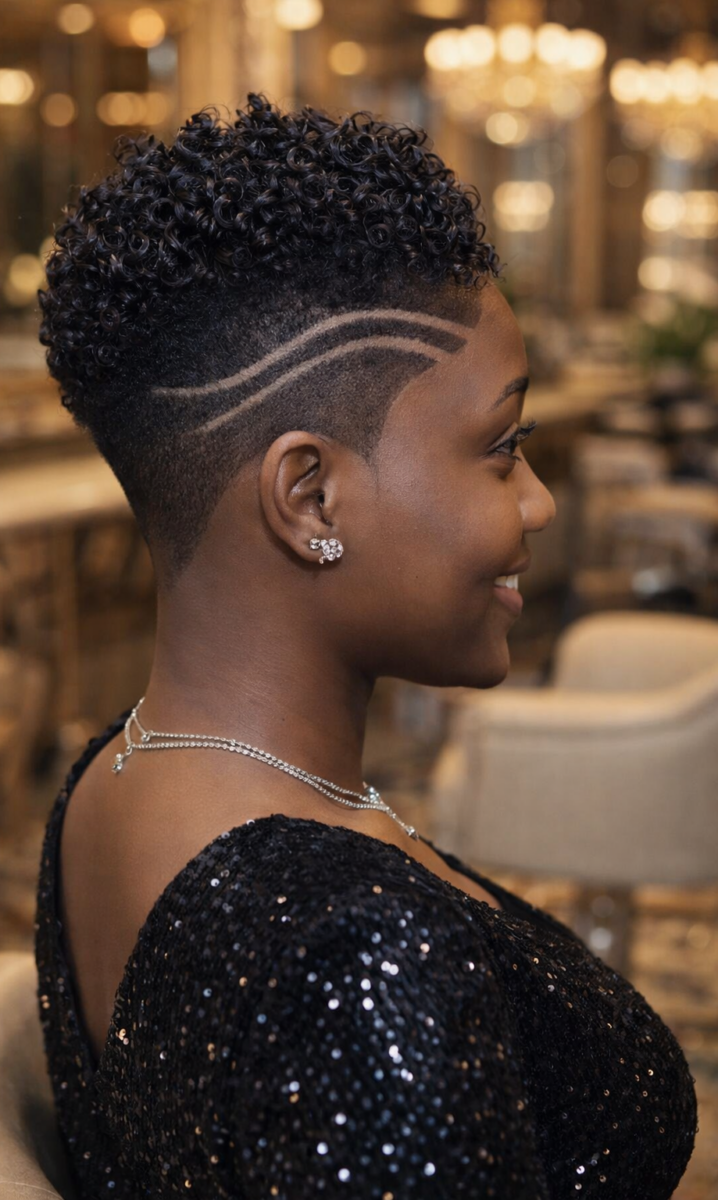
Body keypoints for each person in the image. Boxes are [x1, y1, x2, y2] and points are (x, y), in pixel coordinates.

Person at [34, 94, 697, 1199]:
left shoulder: (114, 776)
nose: (537, 503)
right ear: (309, 497)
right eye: (502, 448)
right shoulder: (360, 959)